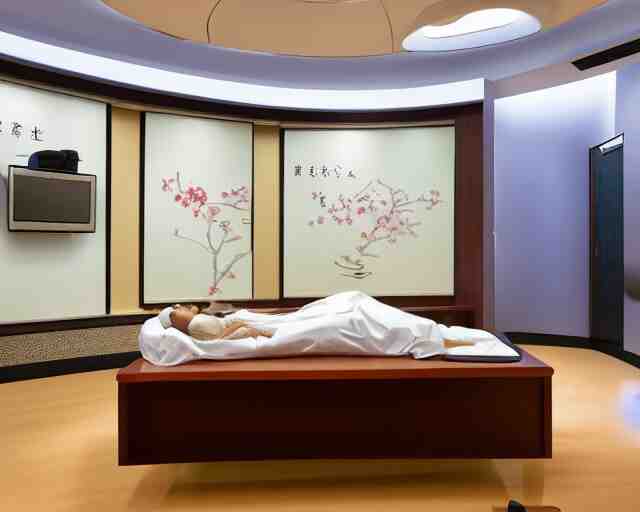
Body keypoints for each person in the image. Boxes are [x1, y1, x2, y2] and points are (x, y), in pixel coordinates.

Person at [142, 291, 519, 366]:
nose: (186, 306)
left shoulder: (216, 319)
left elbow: (227, 324)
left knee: (353, 302)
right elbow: (218, 333)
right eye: (182, 309)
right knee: (356, 319)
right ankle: (441, 336)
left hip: (277, 326)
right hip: (278, 333)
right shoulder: (191, 321)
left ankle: (439, 332)